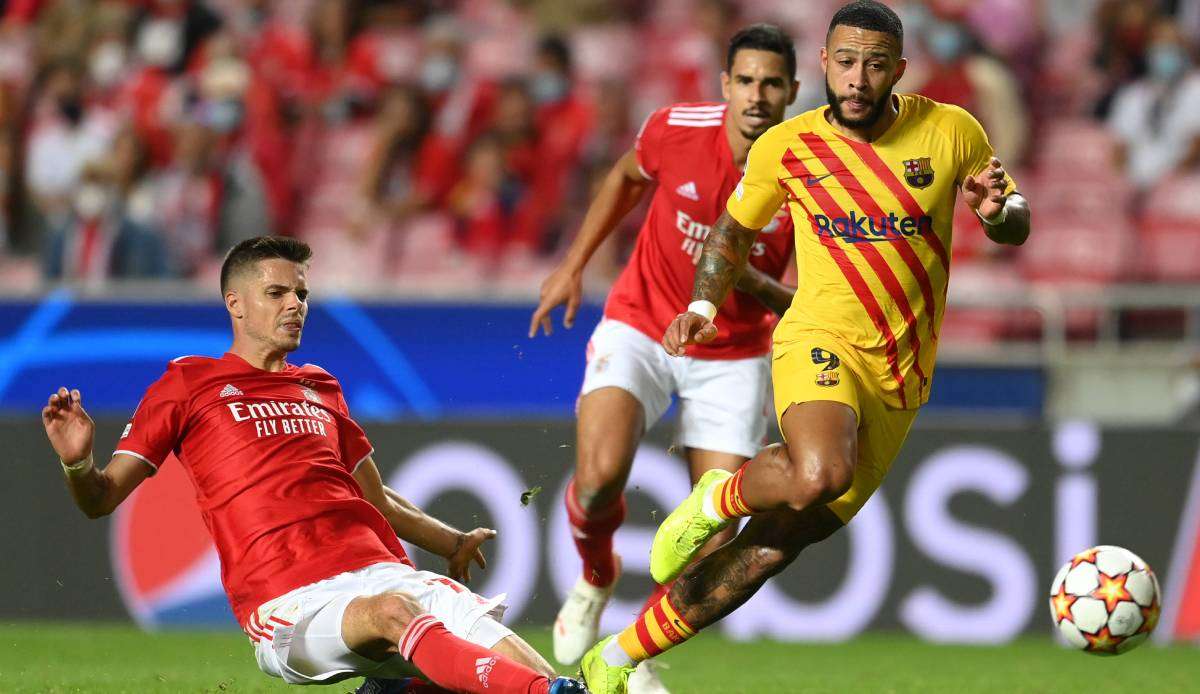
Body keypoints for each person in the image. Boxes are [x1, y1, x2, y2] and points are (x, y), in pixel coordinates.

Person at [579, 3, 1032, 692]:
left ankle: (614, 658)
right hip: (816, 340)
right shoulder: (788, 146)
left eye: (874, 65)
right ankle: (716, 499)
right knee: (818, 473)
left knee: (771, 548)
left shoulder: (951, 132)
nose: (857, 78)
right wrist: (701, 305)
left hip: (901, 377)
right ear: (823, 64)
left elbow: (1014, 220)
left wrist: (1001, 213)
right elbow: (732, 232)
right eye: (845, 62)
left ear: (898, 71)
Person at [42, 236, 586, 694]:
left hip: (381, 570)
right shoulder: (188, 383)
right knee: (398, 615)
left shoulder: (319, 387)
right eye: (276, 293)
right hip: (289, 599)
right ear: (235, 303)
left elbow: (375, 497)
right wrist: (77, 464)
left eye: (301, 292)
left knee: (474, 624)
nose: (295, 304)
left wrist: (451, 541)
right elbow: (101, 498)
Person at [528, 24, 798, 669]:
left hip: (734, 352)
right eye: (746, 81)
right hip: (643, 321)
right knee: (595, 481)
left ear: (792, 90)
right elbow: (625, 178)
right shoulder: (675, 128)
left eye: (772, 83)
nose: (757, 95)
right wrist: (573, 264)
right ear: (725, 84)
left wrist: (739, 271)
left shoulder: (807, 169)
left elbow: (804, 304)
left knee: (714, 534)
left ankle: (635, 655)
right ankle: (596, 575)